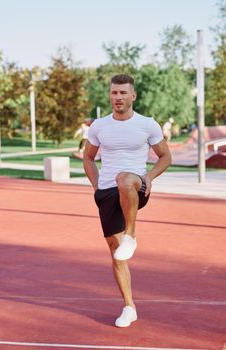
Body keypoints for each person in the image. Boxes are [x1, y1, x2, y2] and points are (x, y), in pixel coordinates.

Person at [83, 74, 171, 328]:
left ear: (133, 95)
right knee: (115, 252)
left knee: (124, 179)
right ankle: (129, 307)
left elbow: (165, 156)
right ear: (110, 95)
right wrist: (97, 186)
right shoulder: (99, 126)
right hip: (107, 191)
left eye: (123, 93)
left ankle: (132, 235)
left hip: (136, 185)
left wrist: (150, 177)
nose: (118, 97)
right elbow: (88, 158)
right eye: (114, 93)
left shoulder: (147, 124)